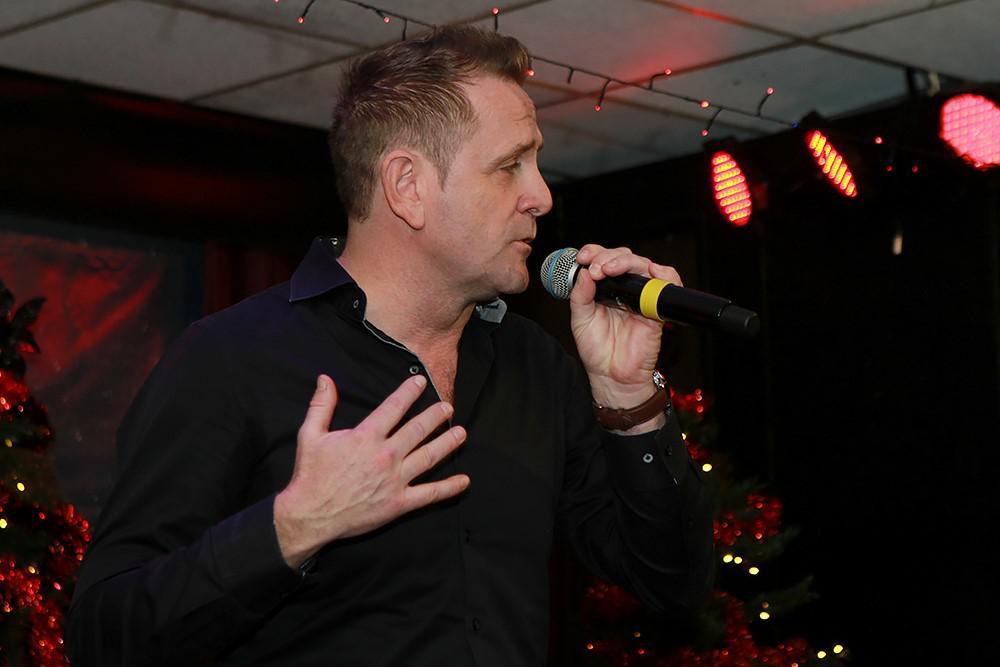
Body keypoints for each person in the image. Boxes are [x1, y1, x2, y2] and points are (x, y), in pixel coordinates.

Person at [67, 26, 713, 666]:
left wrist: (630, 400)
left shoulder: (535, 364)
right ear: (407, 186)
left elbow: (672, 584)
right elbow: (105, 634)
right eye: (509, 165)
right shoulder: (232, 357)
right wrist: (292, 528)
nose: (541, 196)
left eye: (536, 164)